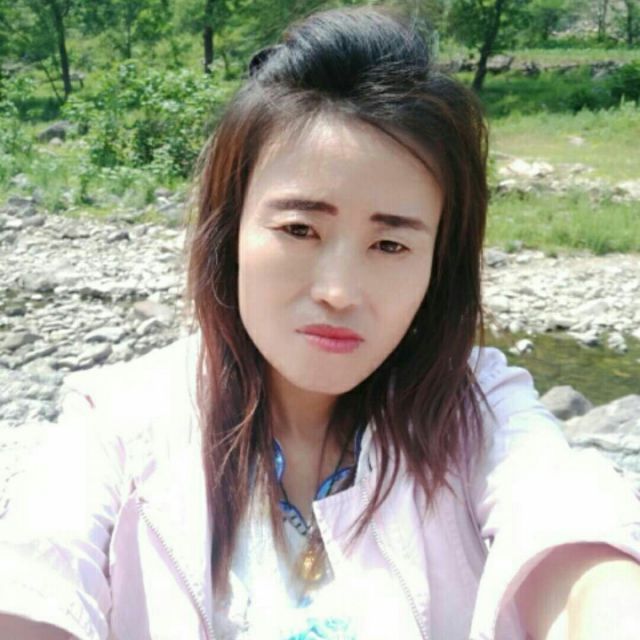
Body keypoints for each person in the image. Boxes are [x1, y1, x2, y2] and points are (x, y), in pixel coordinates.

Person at [1, 6, 640, 640]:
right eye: (300, 229)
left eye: (390, 245)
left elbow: (570, 531)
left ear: (438, 263)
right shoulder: (115, 427)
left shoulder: (478, 411)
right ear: (231, 232)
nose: (338, 292)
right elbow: (38, 578)